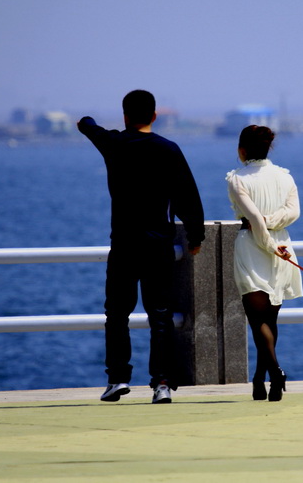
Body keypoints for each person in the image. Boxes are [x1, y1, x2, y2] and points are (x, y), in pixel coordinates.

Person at [78, 89, 205, 404]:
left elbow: (86, 125)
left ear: (124, 116)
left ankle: (117, 379)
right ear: (154, 116)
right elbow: (187, 196)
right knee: (160, 316)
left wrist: (88, 121)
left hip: (123, 244)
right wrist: (196, 236)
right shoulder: (169, 150)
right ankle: (161, 383)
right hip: (157, 245)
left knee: (117, 314)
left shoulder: (114, 143)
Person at [226, 125, 303, 402]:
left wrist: (267, 234)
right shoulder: (285, 177)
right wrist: (274, 236)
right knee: (270, 320)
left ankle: (274, 371)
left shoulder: (237, 179)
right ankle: (262, 381)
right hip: (282, 246)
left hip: (253, 247)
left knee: (257, 320)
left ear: (242, 150)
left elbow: (255, 222)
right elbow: (293, 212)